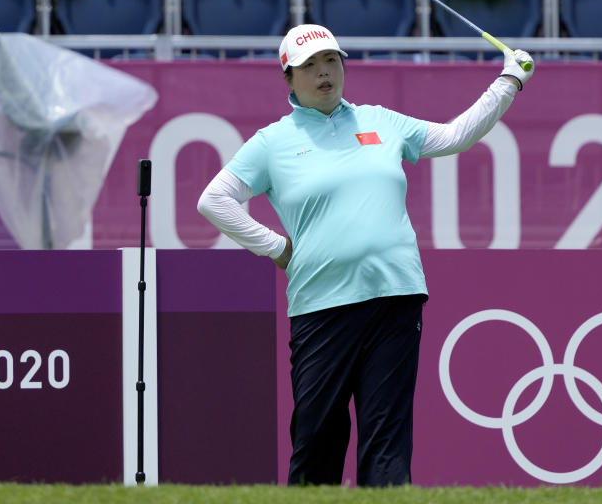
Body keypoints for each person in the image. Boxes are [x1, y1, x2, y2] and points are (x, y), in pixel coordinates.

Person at [197, 24, 534, 487]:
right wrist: (274, 247)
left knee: (386, 441)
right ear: (288, 79)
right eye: (309, 67)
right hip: (321, 306)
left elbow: (456, 136)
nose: (323, 74)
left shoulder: (381, 121)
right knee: (317, 442)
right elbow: (214, 199)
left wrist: (507, 82)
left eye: (331, 61)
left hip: (396, 297)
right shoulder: (272, 141)